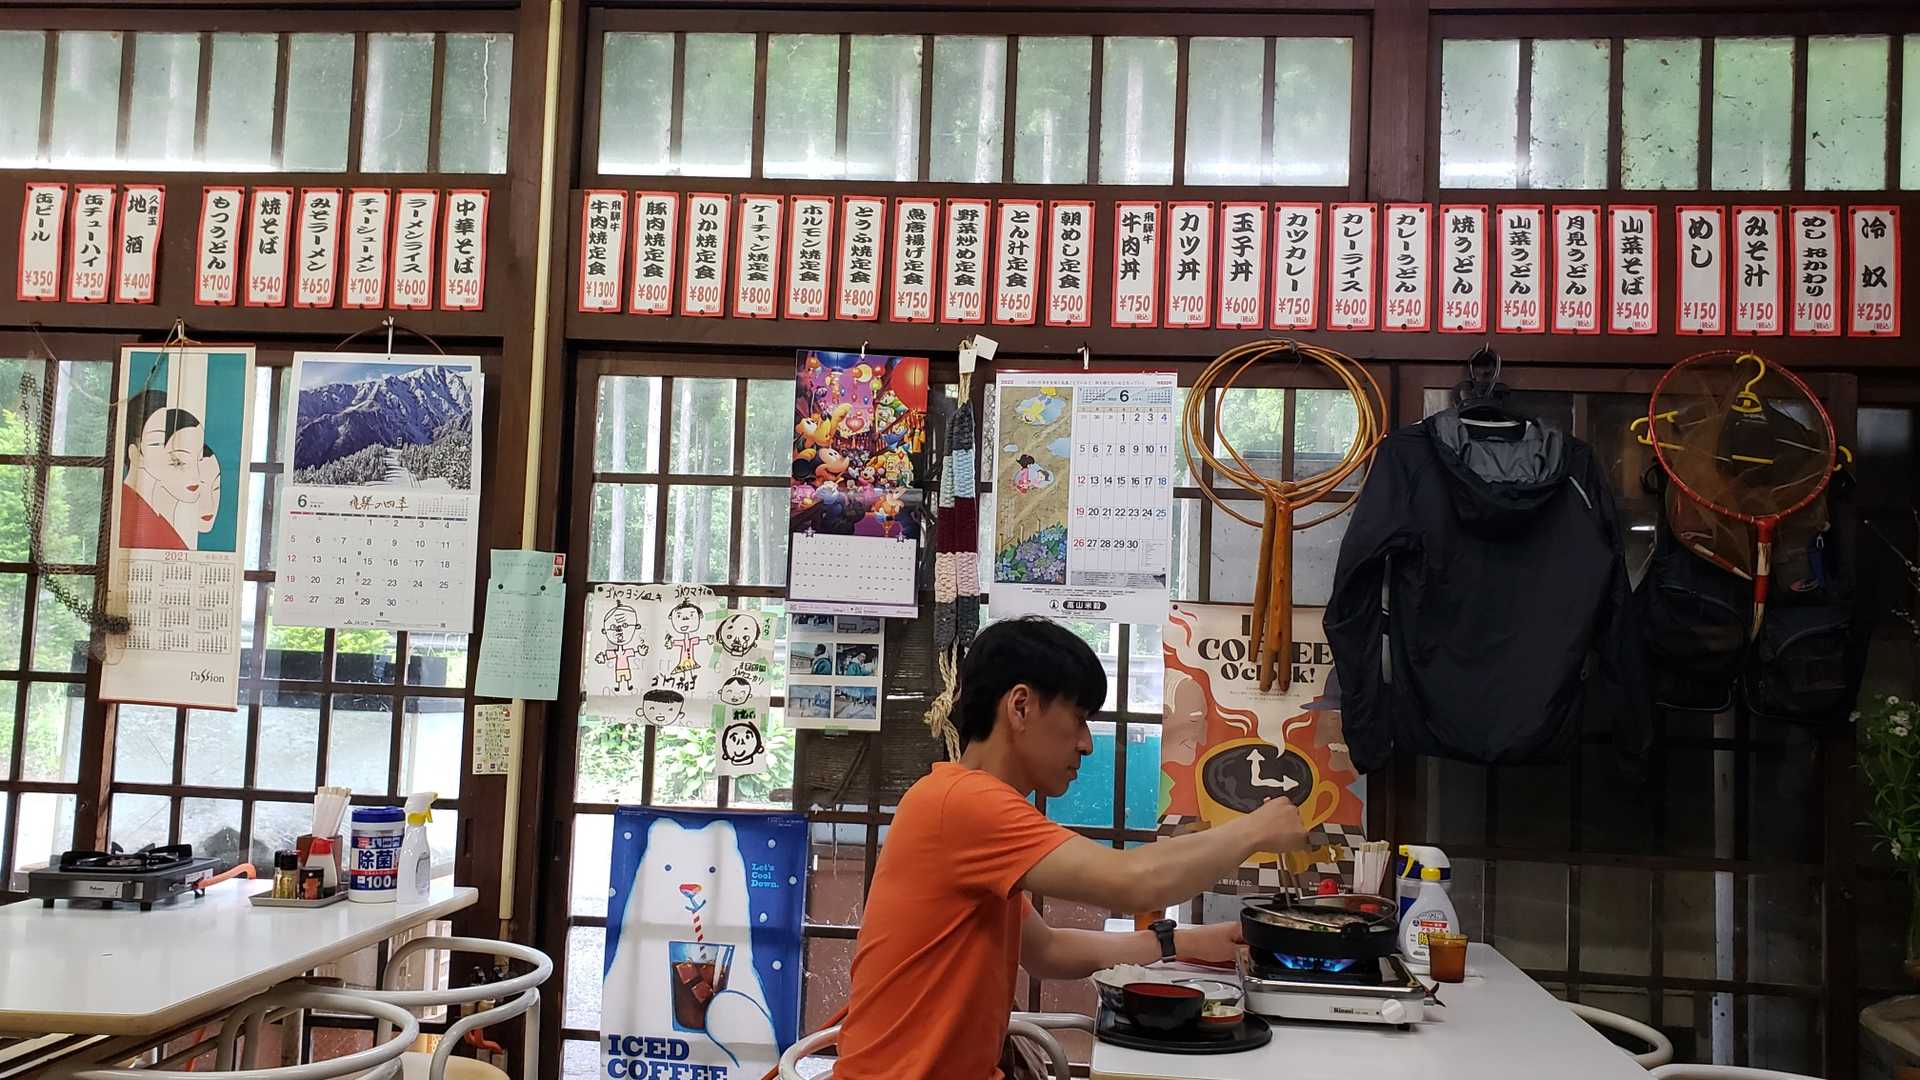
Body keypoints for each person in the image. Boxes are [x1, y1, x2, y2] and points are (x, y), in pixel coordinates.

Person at [832, 617, 1310, 1080]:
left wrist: (1178, 943)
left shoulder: (959, 800)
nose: (1087, 744)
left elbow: (1047, 950)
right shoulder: (965, 803)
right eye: (1079, 719)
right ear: (1021, 707)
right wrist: (1255, 830)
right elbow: (1134, 881)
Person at [119, 389, 205, 551]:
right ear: (134, 452)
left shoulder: (158, 513)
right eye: (157, 443)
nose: (171, 451)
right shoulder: (125, 509)